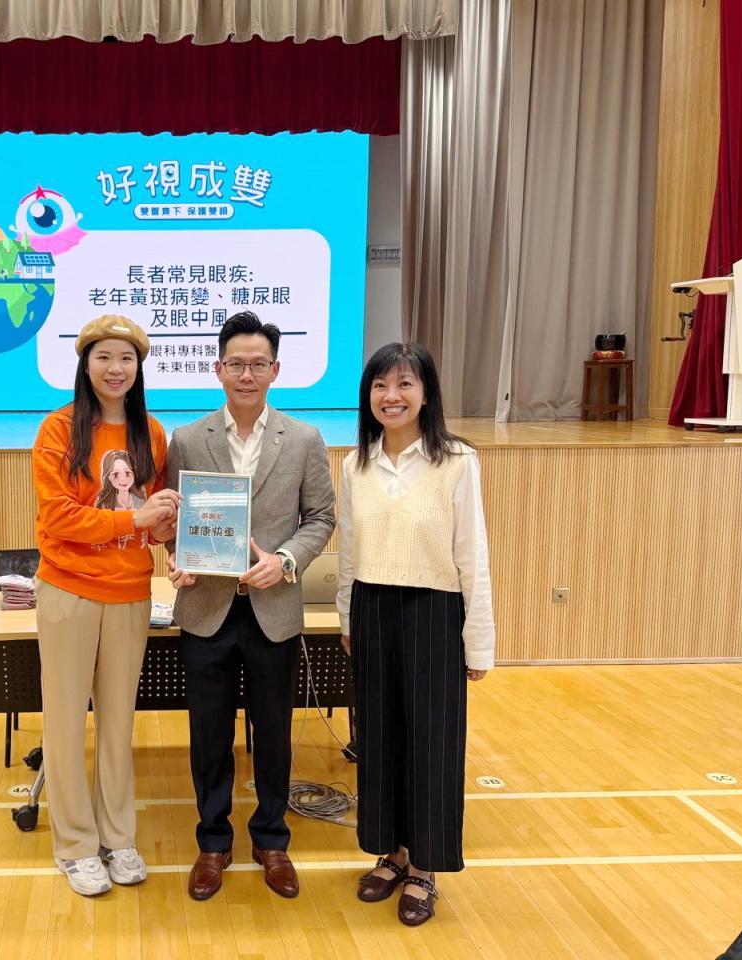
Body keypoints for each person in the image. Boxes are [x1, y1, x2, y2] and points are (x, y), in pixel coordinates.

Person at [166, 310, 336, 901]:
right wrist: (178, 555)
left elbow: (322, 518)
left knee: (274, 733)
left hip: (273, 608)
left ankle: (272, 839)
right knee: (208, 733)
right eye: (236, 363)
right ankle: (213, 841)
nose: (246, 374)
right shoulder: (188, 439)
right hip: (206, 607)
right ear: (217, 368)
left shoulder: (305, 439)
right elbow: (173, 522)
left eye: (257, 364)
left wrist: (284, 561)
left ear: (275, 370)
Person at [334, 342, 495, 926]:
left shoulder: (456, 461)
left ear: (426, 393)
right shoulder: (356, 464)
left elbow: (472, 555)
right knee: (377, 739)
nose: (391, 396)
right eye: (380, 385)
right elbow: (348, 551)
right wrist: (348, 618)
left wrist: (478, 641)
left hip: (434, 611)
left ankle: (425, 867)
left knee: (432, 743)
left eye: (405, 384)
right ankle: (392, 853)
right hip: (372, 609)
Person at [32, 315, 180, 897]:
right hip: (68, 590)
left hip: (130, 593)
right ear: (85, 364)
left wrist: (174, 529)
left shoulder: (152, 433)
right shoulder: (58, 429)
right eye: (104, 357)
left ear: (138, 367)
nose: (116, 369)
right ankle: (74, 845)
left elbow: (155, 520)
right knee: (66, 722)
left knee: (118, 723)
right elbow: (58, 517)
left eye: (126, 358)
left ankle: (118, 837)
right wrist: (135, 519)